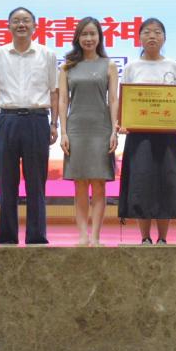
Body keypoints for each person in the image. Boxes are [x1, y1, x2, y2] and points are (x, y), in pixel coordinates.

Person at [0, 6, 59, 245]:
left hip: (37, 120)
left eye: (26, 20)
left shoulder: (47, 54)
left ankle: (36, 236)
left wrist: (54, 124)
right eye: (16, 21)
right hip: (6, 120)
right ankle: (7, 237)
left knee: (36, 183)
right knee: (6, 183)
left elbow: (54, 91)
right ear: (8, 25)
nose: (21, 24)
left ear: (34, 26)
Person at [118, 18, 176, 245]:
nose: (152, 36)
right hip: (139, 138)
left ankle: (163, 238)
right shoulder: (131, 68)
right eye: (147, 32)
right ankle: (145, 238)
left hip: (167, 136)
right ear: (139, 38)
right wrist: (122, 121)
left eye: (157, 32)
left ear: (164, 38)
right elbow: (124, 101)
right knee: (142, 184)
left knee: (166, 183)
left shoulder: (175, 67)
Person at [58, 17, 118, 246]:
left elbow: (113, 100)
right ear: (77, 38)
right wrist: (64, 132)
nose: (89, 38)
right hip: (76, 128)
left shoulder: (109, 65)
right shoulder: (67, 66)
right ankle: (83, 236)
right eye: (84, 34)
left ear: (99, 37)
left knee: (99, 184)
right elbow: (63, 101)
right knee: (80, 184)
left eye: (93, 34)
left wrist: (114, 130)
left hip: (101, 128)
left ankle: (96, 236)